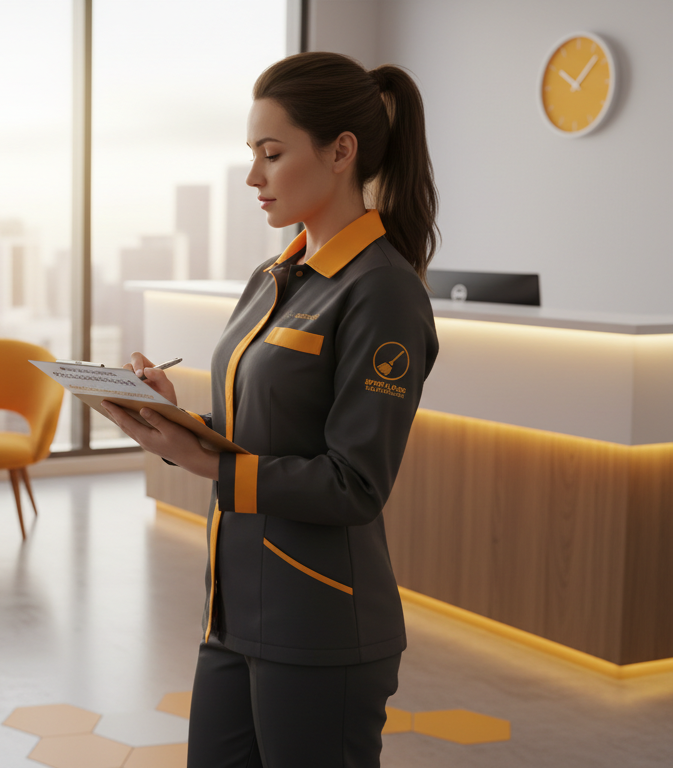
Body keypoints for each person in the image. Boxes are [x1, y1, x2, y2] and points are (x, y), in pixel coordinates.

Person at [102, 51, 439, 767]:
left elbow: (355, 484)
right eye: (251, 154)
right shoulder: (273, 276)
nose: (253, 177)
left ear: (341, 152)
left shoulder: (382, 292)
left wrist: (210, 467)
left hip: (320, 629)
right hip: (230, 614)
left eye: (271, 153)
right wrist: (174, 420)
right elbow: (253, 431)